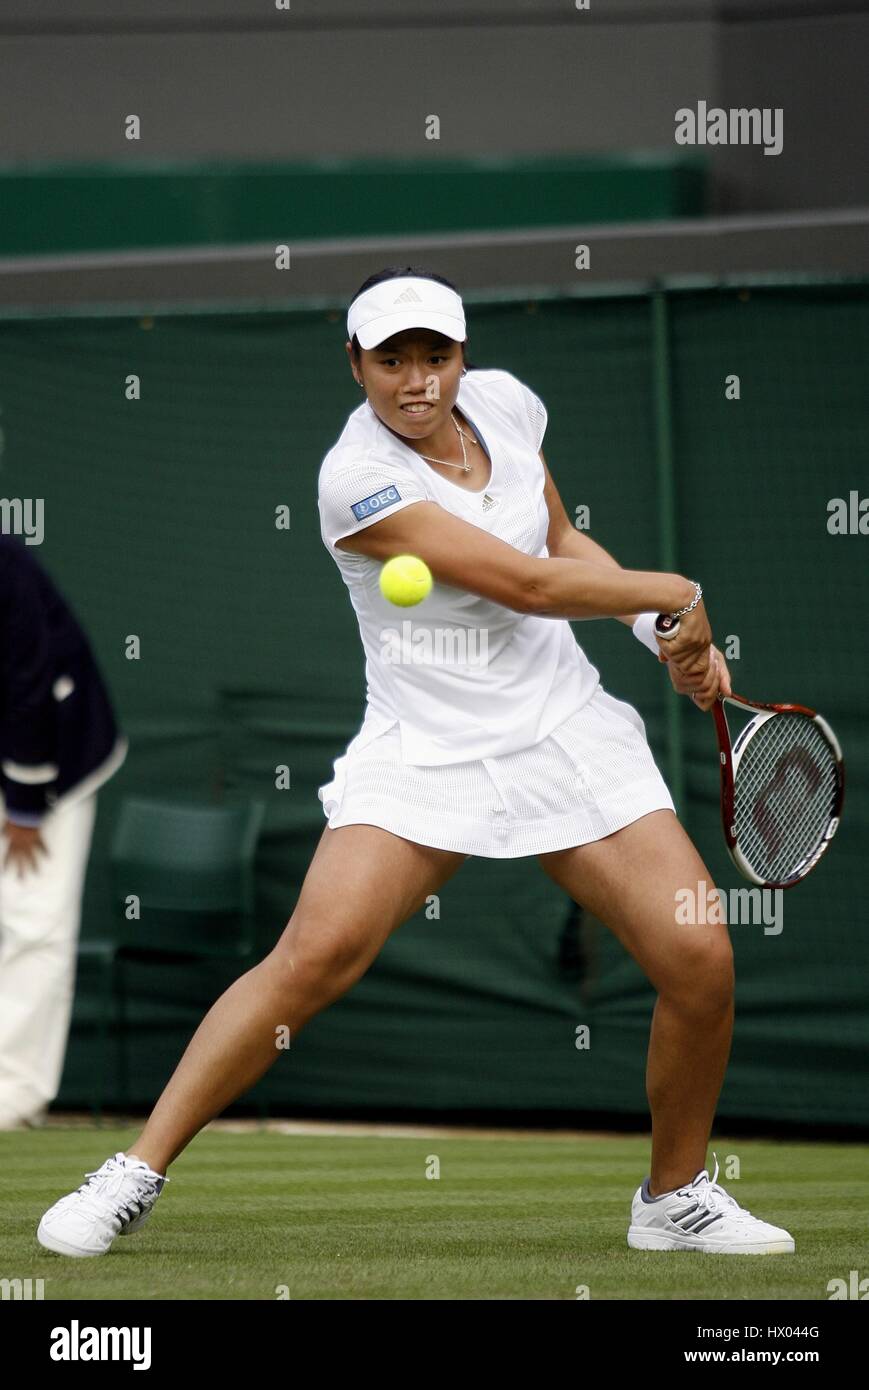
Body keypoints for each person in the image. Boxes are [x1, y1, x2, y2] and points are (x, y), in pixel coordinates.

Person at [36, 266, 794, 1260]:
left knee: (699, 958)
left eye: (433, 355)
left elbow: (560, 538)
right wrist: (677, 591)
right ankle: (132, 1170)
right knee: (313, 959)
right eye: (390, 358)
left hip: (562, 726)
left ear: (461, 354)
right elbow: (524, 583)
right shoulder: (356, 480)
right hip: (424, 745)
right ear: (354, 364)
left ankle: (673, 1192)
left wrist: (661, 636)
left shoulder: (508, 407)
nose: (415, 379)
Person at [0, 535, 127, 1130]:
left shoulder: (5, 562)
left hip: (52, 750)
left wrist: (25, 806)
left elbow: (29, 678)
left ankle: (15, 1095)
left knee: (31, 918)